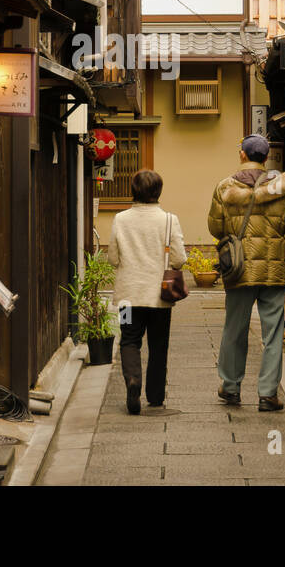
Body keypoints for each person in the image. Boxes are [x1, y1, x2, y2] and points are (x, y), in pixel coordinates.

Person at [208, 134, 285, 411]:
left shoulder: (225, 187)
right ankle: (268, 394)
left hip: (239, 268)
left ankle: (231, 387)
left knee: (235, 329)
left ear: (243, 155)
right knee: (273, 333)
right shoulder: (280, 188)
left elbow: (216, 227)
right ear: (266, 157)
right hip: (273, 269)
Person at [105, 169, 186, 414]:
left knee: (129, 339)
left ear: (134, 191)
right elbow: (180, 259)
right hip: (159, 298)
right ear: (158, 192)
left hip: (128, 297)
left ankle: (132, 380)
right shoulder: (169, 219)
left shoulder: (121, 219)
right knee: (158, 344)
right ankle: (155, 395)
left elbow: (112, 258)